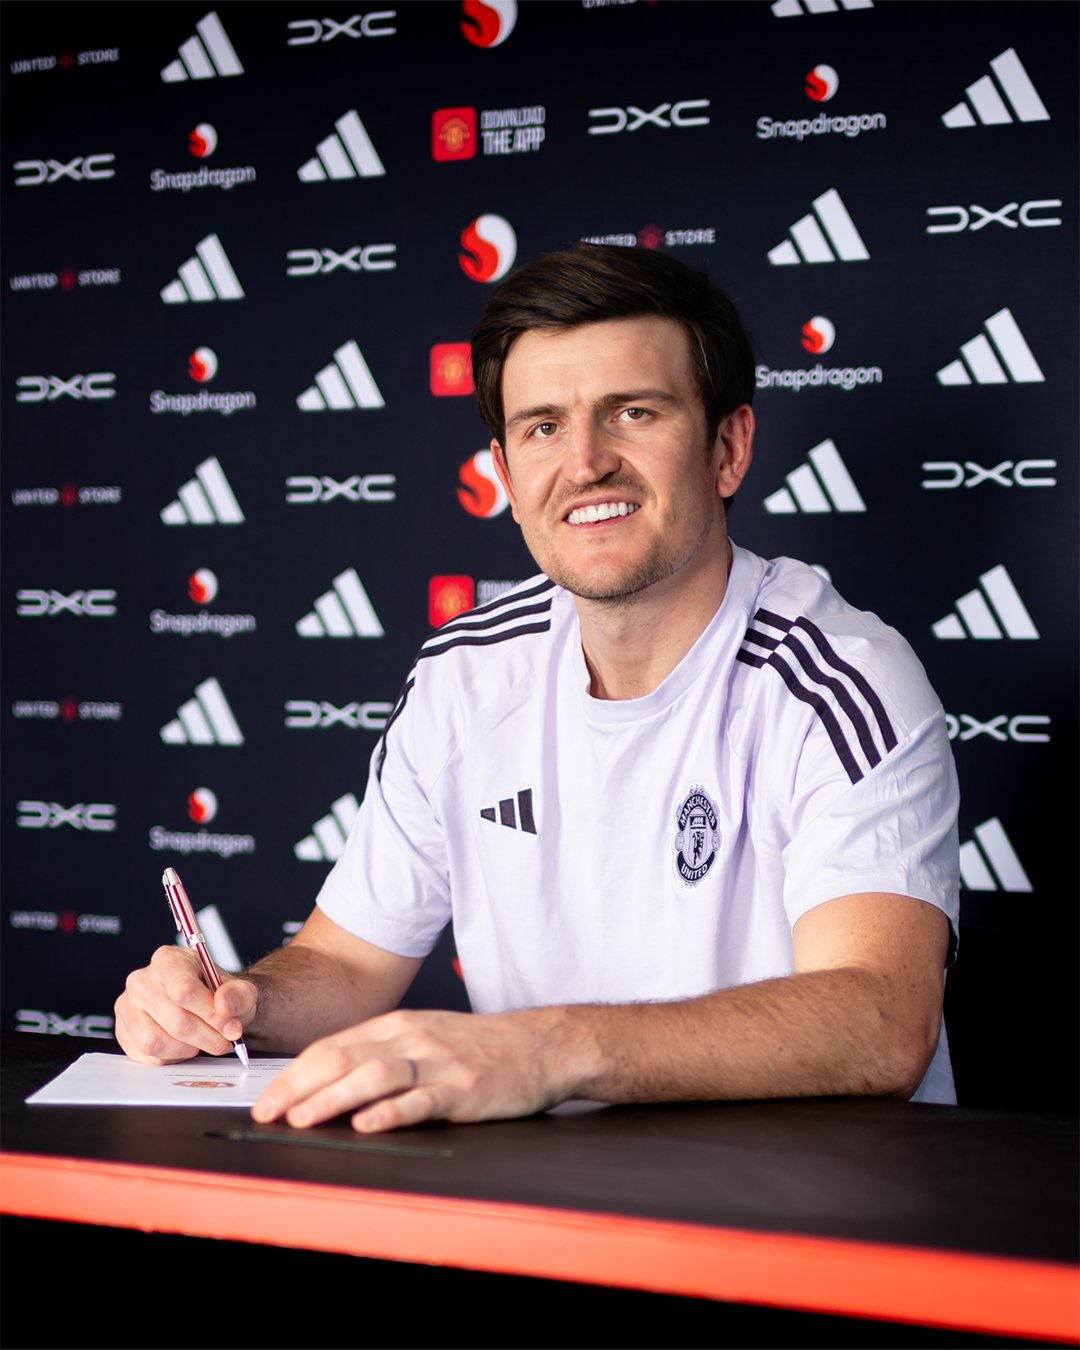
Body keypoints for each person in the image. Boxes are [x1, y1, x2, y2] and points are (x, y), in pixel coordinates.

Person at [116, 245, 959, 1130]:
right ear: (507, 476)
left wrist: (547, 1050)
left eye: (633, 412)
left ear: (728, 447)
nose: (586, 462)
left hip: (799, 1228)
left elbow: (880, 1022)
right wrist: (231, 1006)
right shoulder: (463, 676)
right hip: (543, 1217)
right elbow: (350, 968)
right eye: (543, 426)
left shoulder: (844, 677)